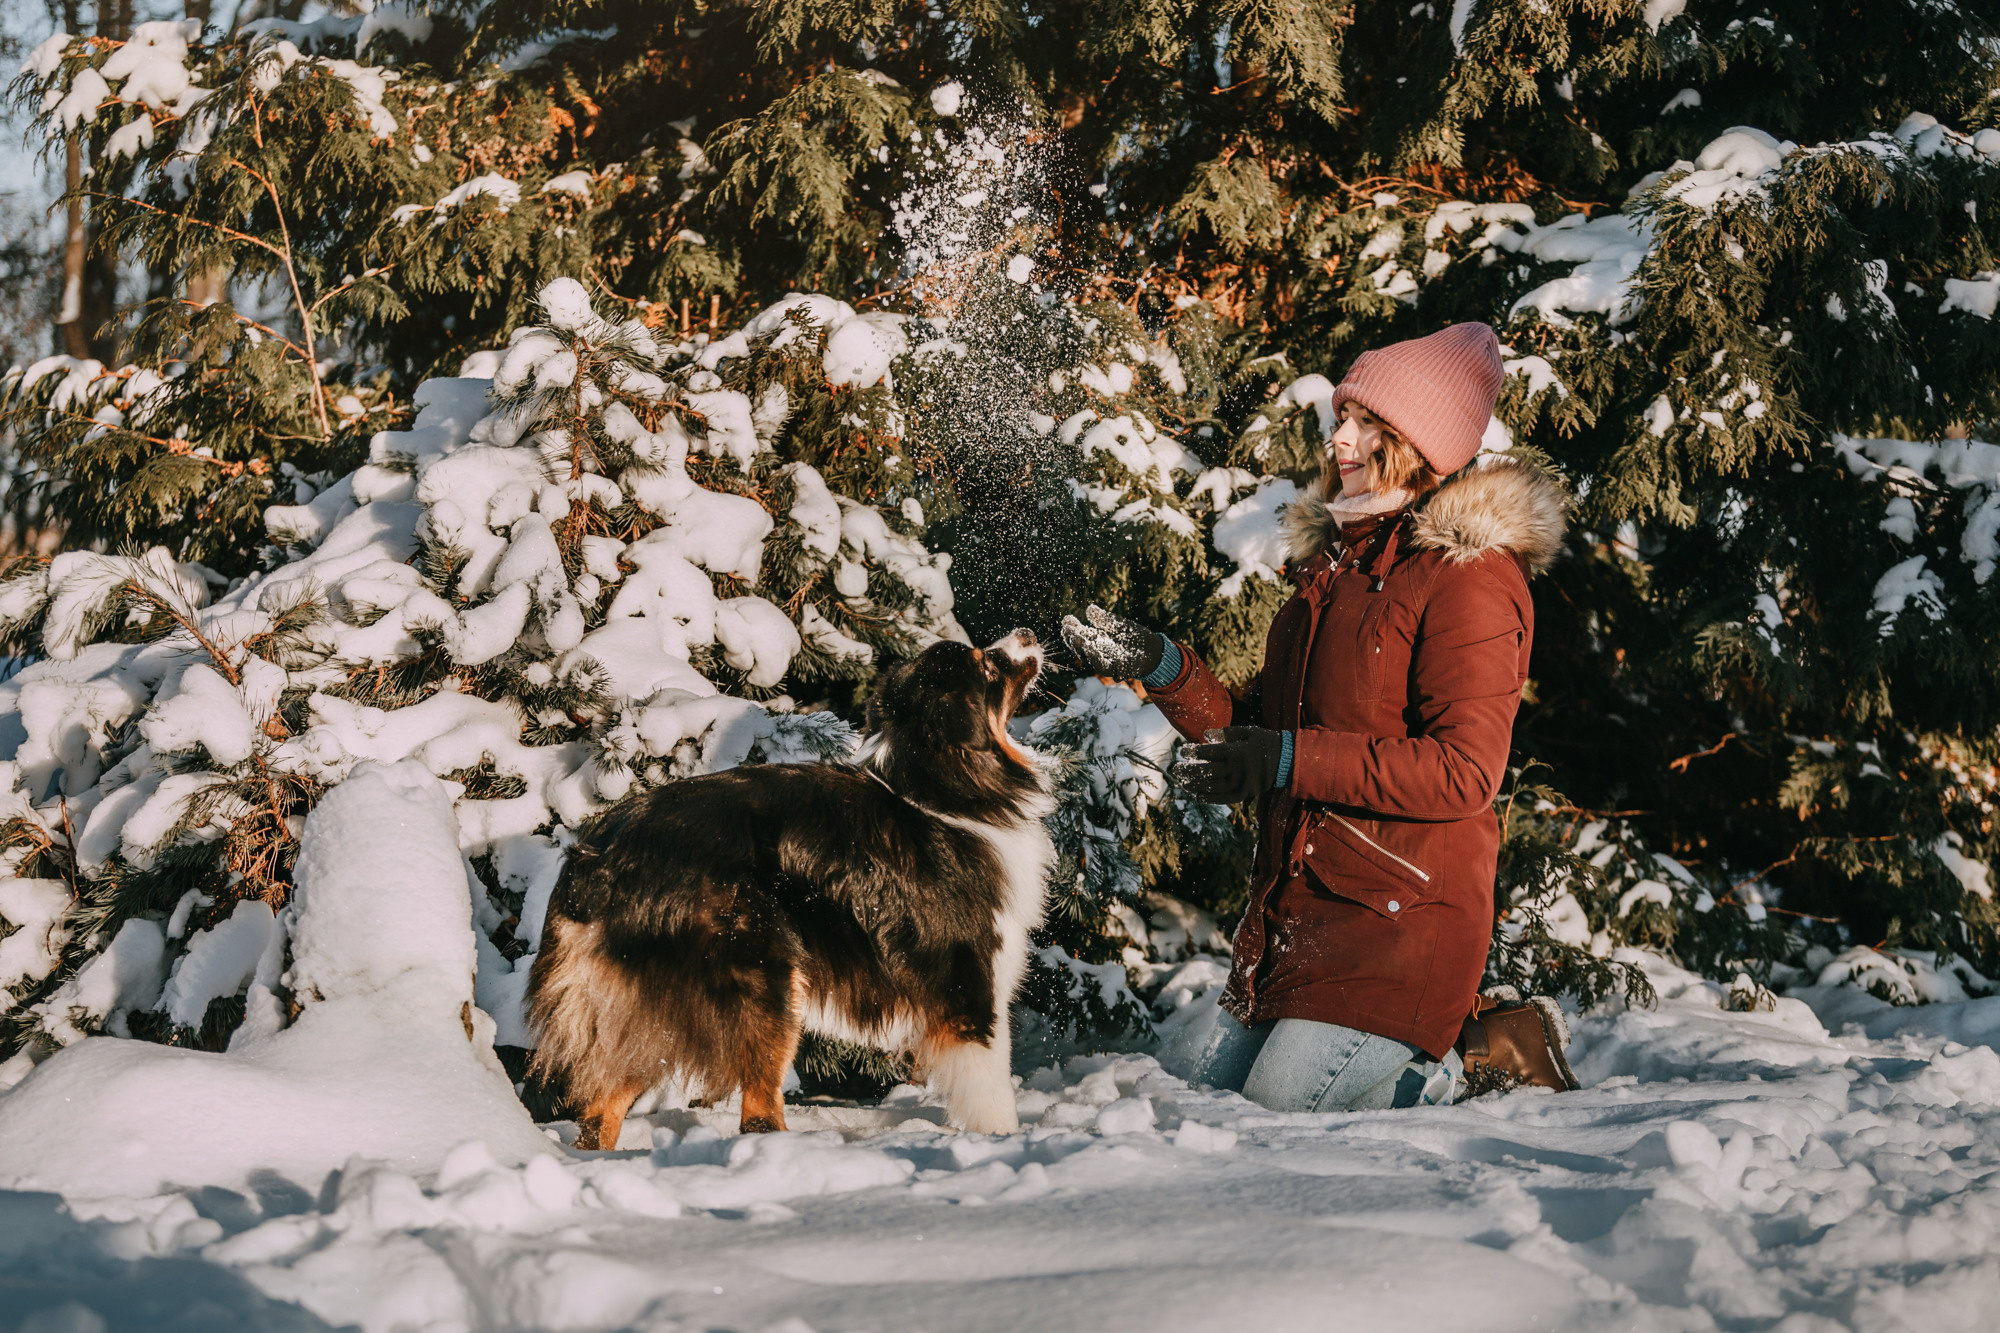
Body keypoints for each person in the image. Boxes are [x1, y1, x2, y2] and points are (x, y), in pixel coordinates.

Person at [1062, 322, 1570, 1112]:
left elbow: (1464, 772)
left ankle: (1468, 1064)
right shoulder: (1337, 568)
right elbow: (1266, 727)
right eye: (1343, 416)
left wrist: (1286, 758)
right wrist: (1163, 664)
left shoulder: (1471, 577)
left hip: (1401, 930)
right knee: (1194, 1110)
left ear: (1419, 442)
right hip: (1298, 921)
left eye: (1367, 423)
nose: (1341, 438)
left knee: (1265, 1122)